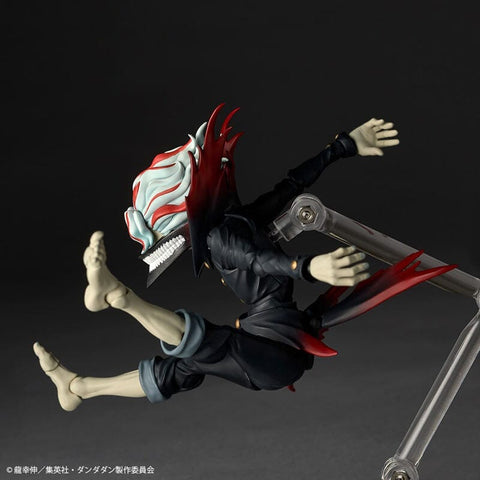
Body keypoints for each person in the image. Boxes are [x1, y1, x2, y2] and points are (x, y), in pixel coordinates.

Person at [34, 105, 447, 411]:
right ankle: (114, 314)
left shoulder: (236, 222)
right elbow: (257, 260)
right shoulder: (221, 238)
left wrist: (342, 147)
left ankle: (81, 382)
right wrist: (306, 267)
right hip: (271, 349)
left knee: (190, 362)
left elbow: (290, 187)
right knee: (199, 351)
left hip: (273, 345)